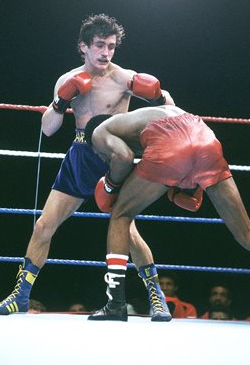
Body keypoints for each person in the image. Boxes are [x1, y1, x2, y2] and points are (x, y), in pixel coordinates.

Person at [0, 13, 175, 317]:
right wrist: (61, 102)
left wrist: (156, 98)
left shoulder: (124, 78)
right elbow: (48, 129)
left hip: (116, 157)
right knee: (43, 226)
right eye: (99, 45)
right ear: (83, 47)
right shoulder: (68, 80)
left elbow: (168, 105)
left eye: (111, 46)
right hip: (80, 155)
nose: (106, 53)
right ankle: (19, 296)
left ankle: (157, 297)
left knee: (128, 232)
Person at [83, 104, 250, 321]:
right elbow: (182, 145)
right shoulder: (147, 116)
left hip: (171, 146)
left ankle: (115, 303)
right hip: (206, 138)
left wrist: (110, 184)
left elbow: (123, 157)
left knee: (120, 214)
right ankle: (155, 298)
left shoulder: (99, 132)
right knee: (245, 232)